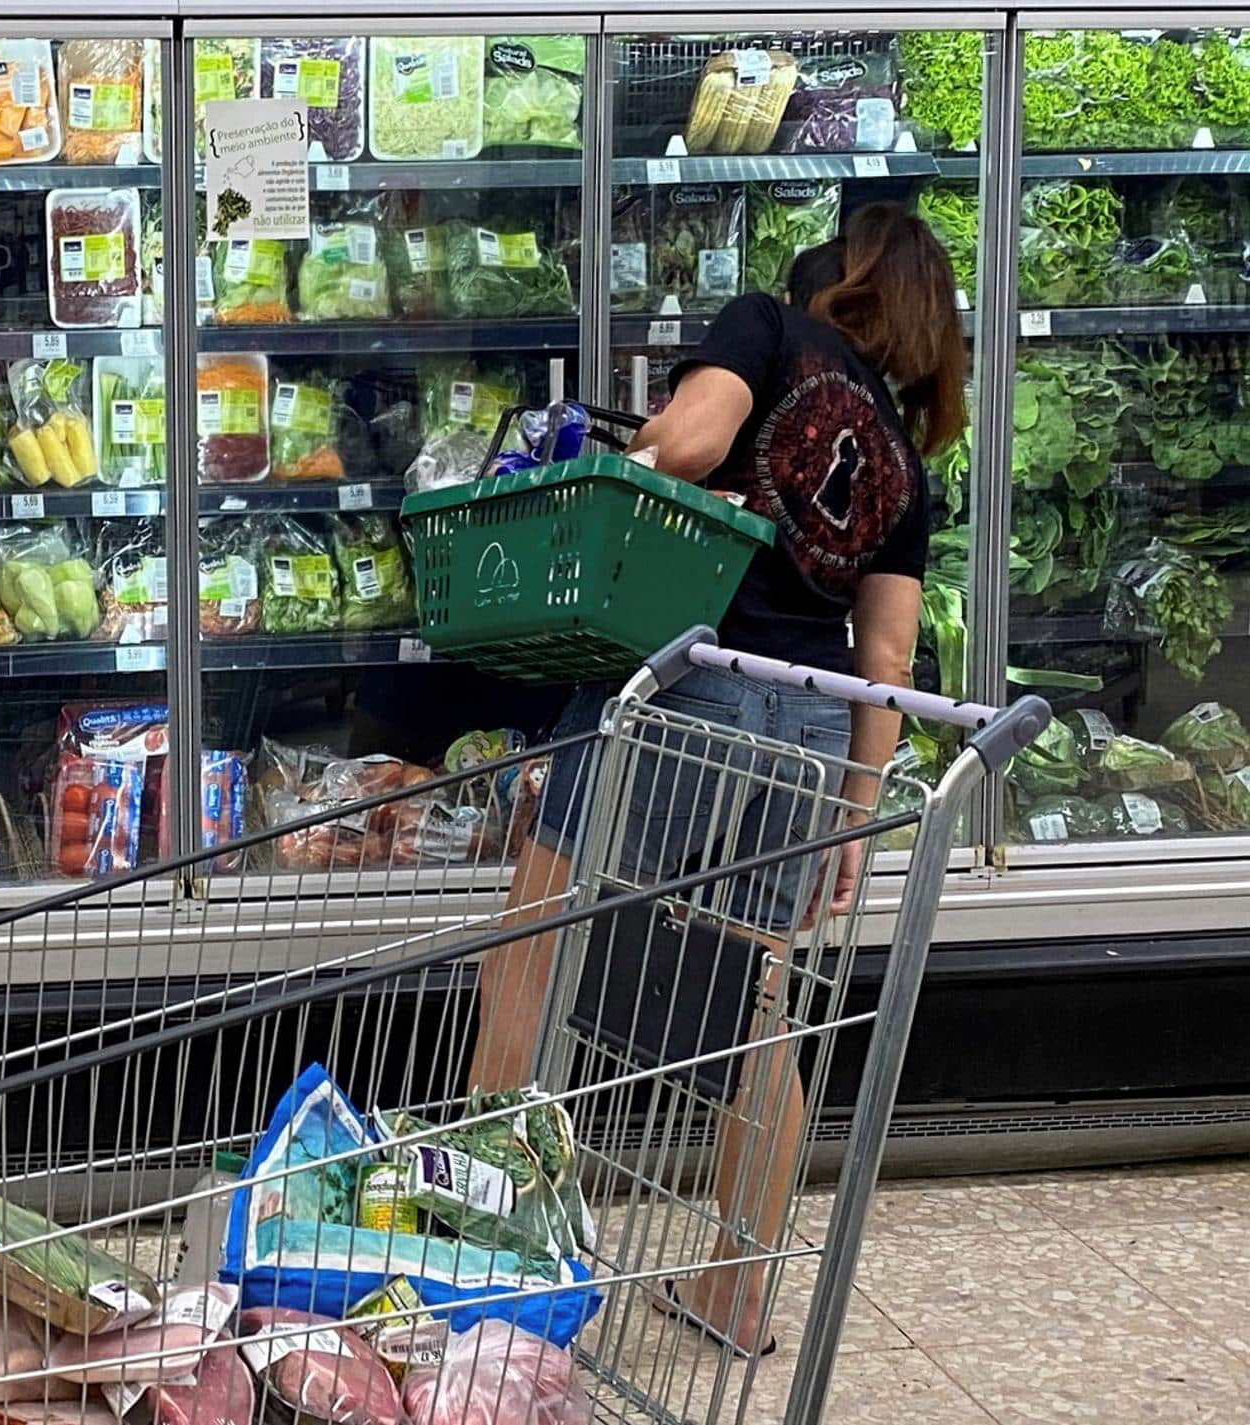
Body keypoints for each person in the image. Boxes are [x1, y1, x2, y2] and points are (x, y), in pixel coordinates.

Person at [469, 201, 964, 1356]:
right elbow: (885, 658)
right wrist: (854, 823)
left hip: (684, 688)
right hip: (808, 730)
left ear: (828, 286)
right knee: (757, 1008)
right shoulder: (897, 461)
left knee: (535, 946)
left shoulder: (766, 330)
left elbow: (689, 445)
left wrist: (609, 474)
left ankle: (488, 1244)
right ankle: (737, 1290)